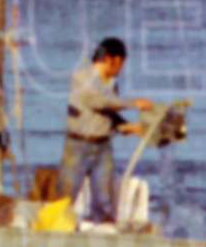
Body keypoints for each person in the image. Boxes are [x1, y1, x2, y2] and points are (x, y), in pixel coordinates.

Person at [60, 34, 148, 223]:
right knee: (64, 200)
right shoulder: (82, 77)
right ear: (110, 59)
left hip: (103, 147)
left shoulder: (112, 84)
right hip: (78, 146)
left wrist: (129, 127)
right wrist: (134, 104)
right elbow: (100, 101)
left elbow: (108, 113)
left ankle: (101, 237)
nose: (122, 69)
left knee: (104, 202)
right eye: (121, 63)